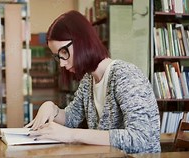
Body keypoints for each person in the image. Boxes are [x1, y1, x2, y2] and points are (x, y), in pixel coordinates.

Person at [25, 10, 161, 154]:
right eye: (58, 57)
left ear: (82, 41)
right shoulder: (88, 80)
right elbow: (71, 118)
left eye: (64, 52)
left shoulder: (126, 75)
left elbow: (142, 139)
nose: (62, 64)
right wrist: (52, 108)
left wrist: (72, 135)